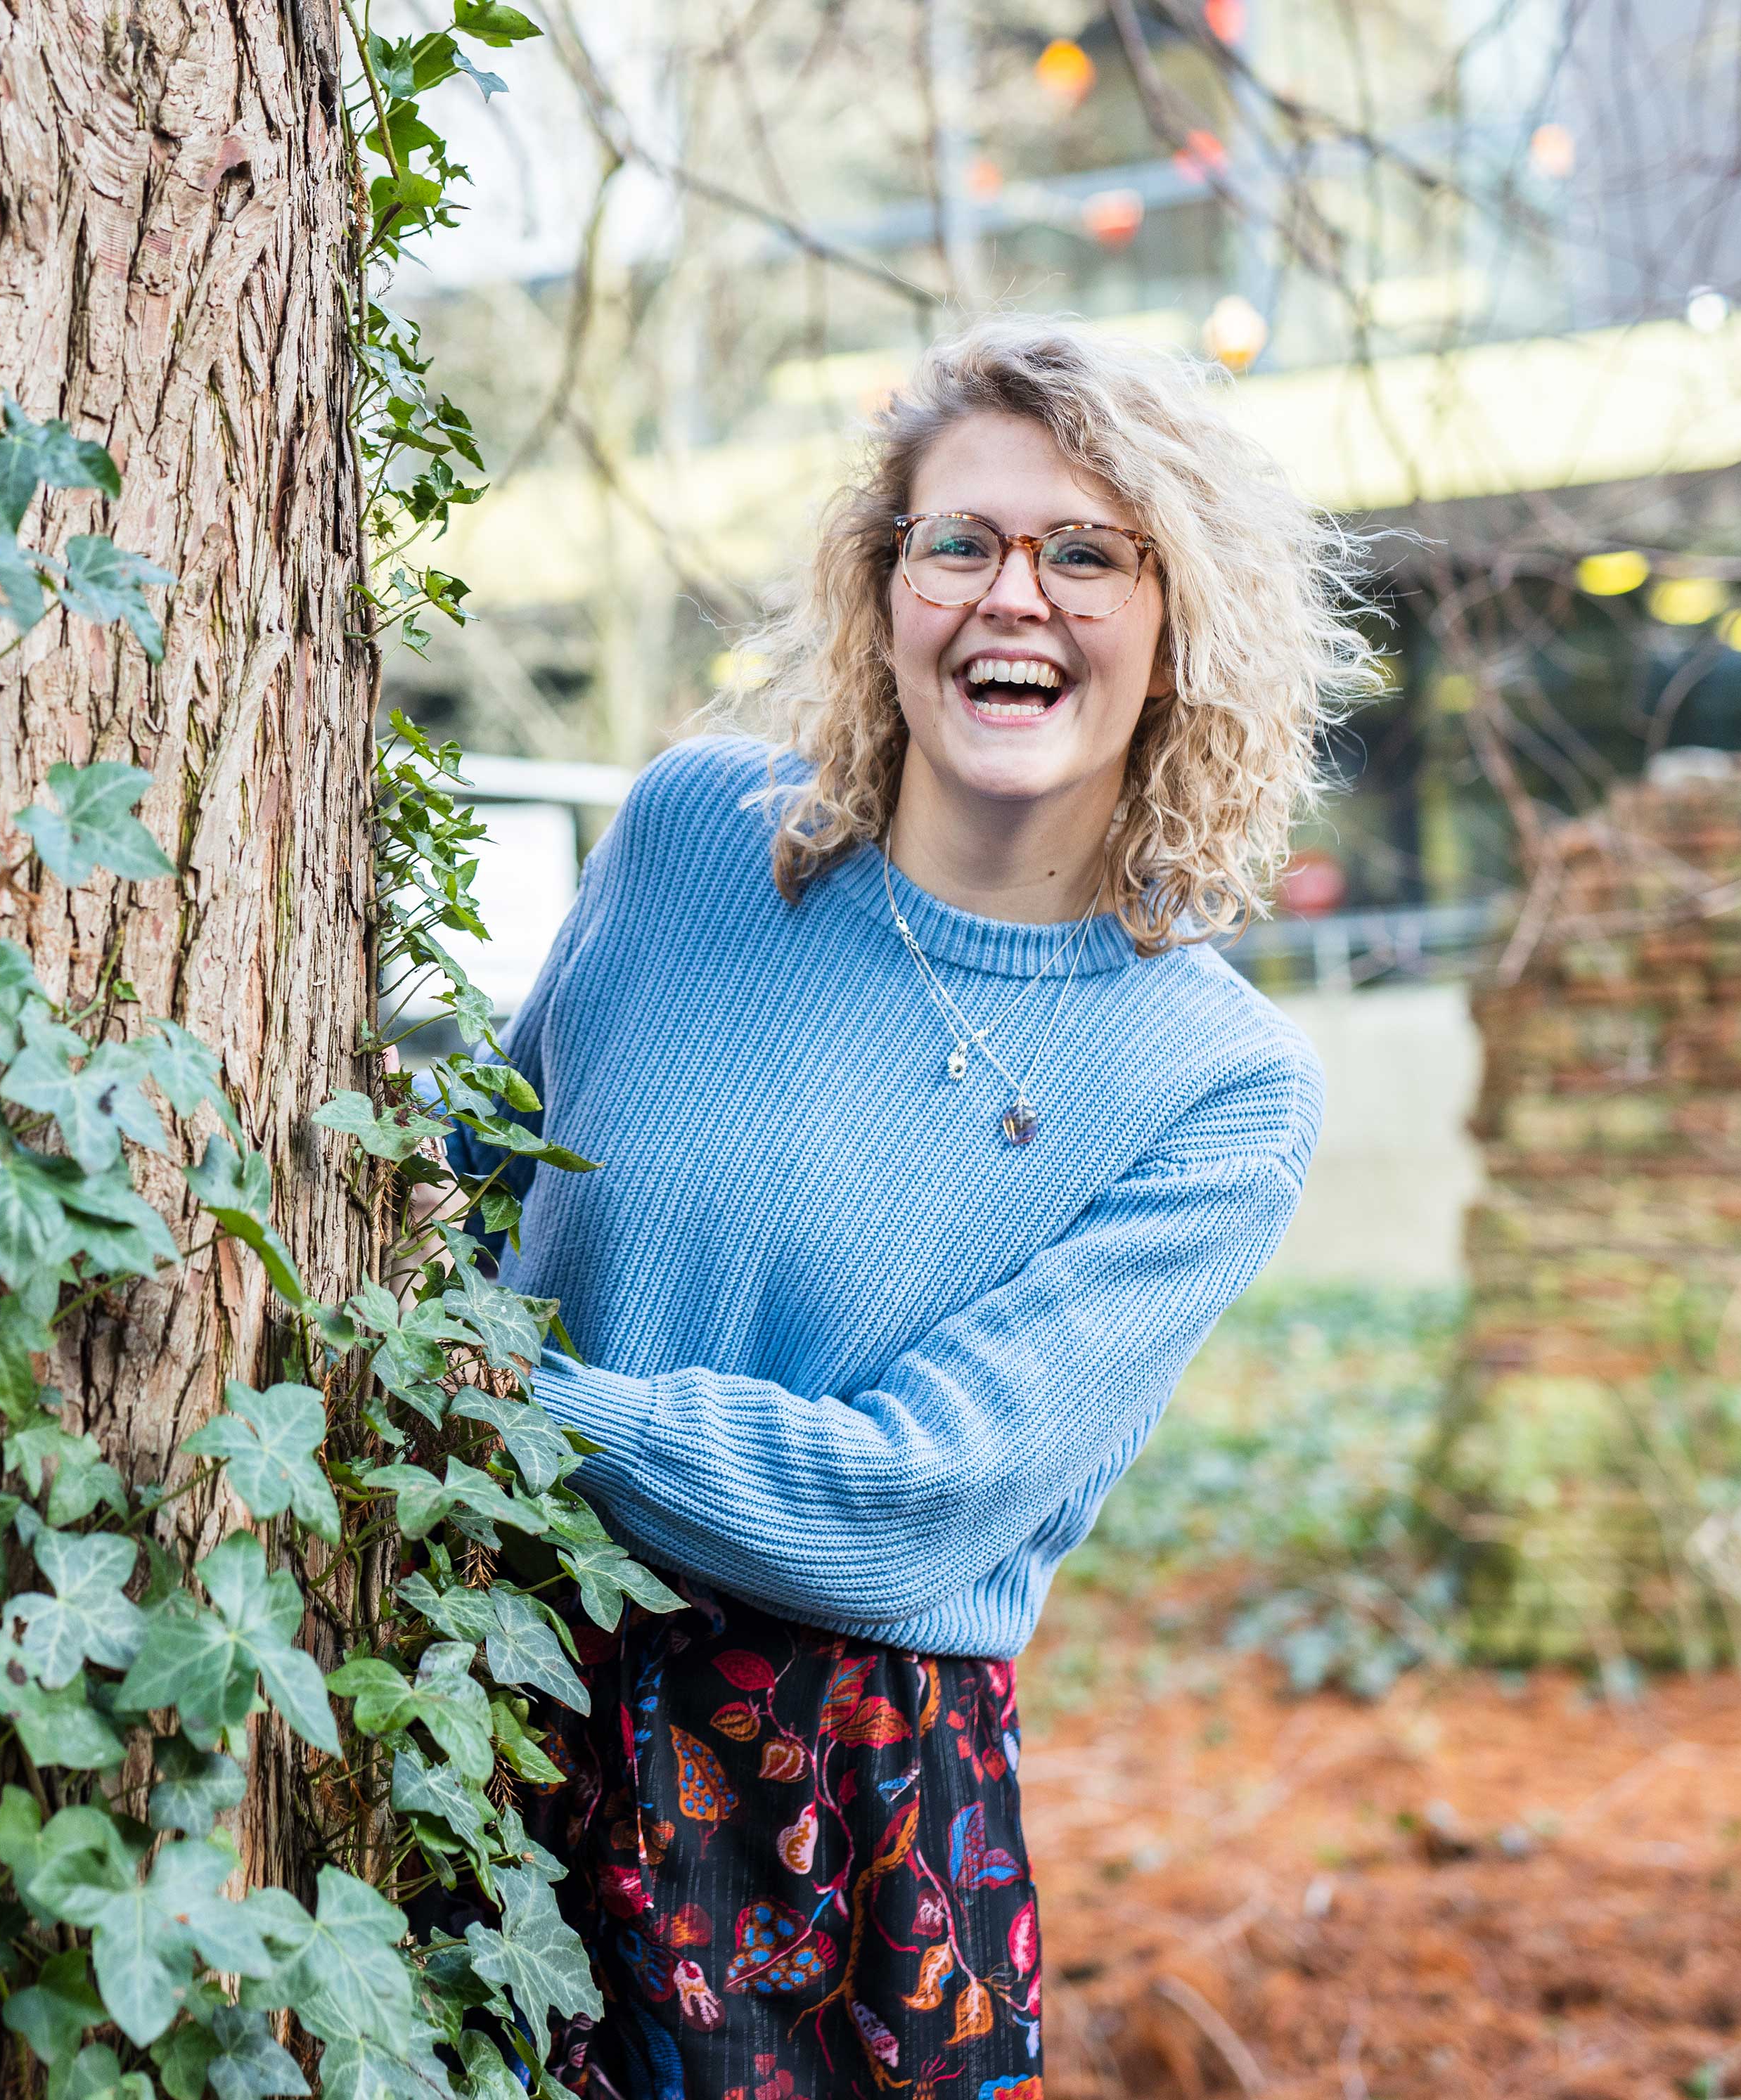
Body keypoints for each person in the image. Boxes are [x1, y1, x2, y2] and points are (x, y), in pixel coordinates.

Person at [447, 318, 1375, 2100]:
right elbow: (469, 1181)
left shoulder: (1220, 1083)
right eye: (959, 542)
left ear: (1178, 624)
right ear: (882, 594)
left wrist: (501, 1409)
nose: (1011, 595)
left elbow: (901, 1506)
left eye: (1086, 553)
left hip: (826, 1837)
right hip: (479, 1680)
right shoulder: (691, 837)